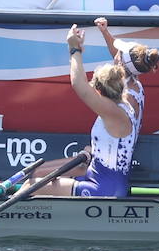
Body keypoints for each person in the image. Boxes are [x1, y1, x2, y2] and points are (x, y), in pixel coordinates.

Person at [26, 24, 141, 198]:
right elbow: (124, 65)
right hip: (98, 173)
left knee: (31, 184)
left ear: (99, 92)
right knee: (36, 173)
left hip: (103, 189)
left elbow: (79, 84)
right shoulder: (132, 91)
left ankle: (0, 219)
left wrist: (74, 50)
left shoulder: (112, 111)